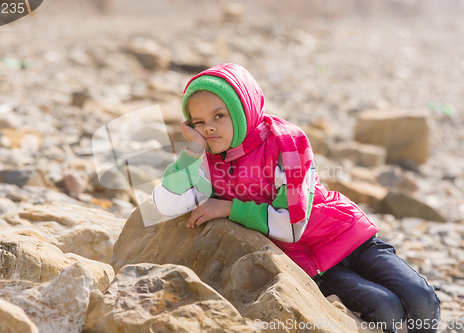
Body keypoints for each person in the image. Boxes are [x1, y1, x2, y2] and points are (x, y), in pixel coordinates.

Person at [152, 63, 441, 333]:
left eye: (219, 115)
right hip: (312, 267)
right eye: (199, 122)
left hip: (350, 238)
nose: (209, 127)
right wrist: (191, 151)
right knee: (386, 309)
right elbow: (166, 203)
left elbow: (292, 224)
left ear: (243, 109)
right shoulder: (204, 160)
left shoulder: (286, 142)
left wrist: (229, 207)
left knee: (422, 301)